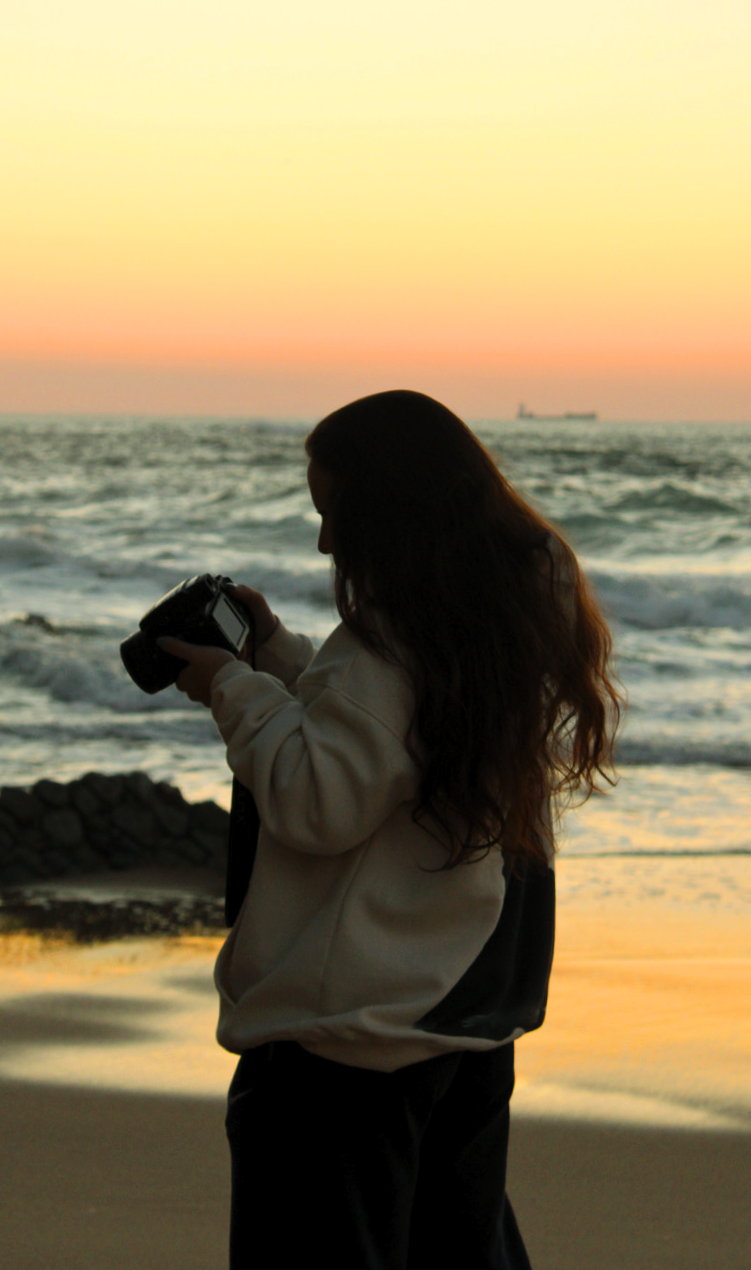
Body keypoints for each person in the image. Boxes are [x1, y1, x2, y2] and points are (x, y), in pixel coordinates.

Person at [160, 390, 620, 1270]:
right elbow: (394, 739)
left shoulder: (388, 645)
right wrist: (285, 659)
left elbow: (318, 798)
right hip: (466, 1013)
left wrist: (233, 688)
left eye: (336, 514)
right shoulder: (509, 614)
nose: (326, 542)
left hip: (349, 1038)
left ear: (390, 511)